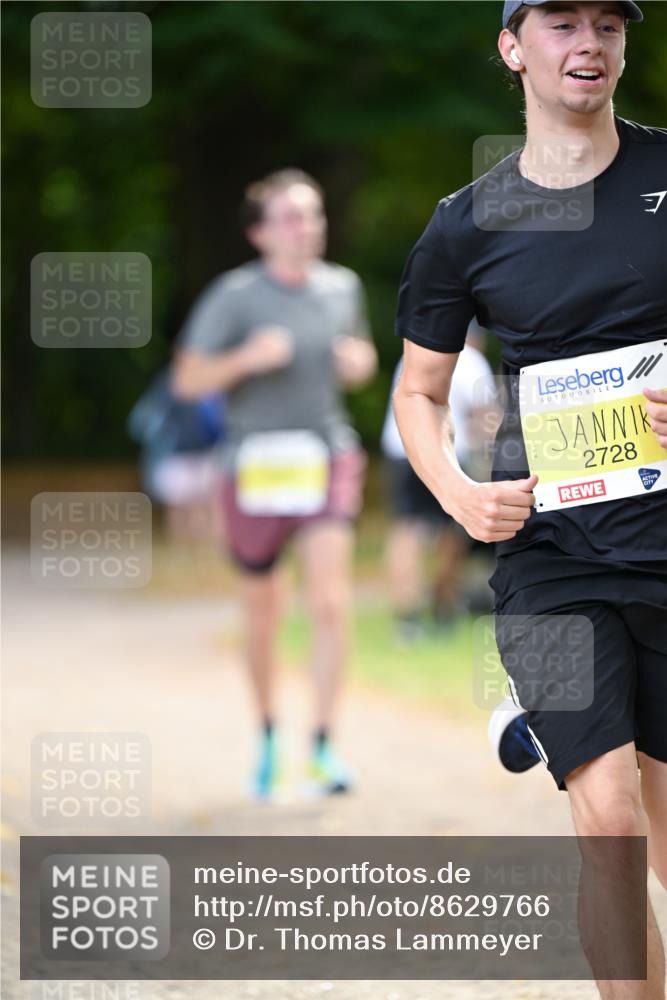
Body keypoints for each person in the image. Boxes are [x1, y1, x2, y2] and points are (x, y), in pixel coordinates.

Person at [393, 2, 666, 996]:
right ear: (512, 48)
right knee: (607, 816)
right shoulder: (465, 224)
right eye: (559, 22)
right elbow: (417, 392)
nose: (586, 42)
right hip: (551, 562)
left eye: (607, 22)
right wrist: (461, 497)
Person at [172, 169, 377, 799]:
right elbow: (186, 382)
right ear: (260, 232)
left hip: (325, 456)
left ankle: (322, 746)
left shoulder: (341, 287)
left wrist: (359, 365)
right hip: (255, 466)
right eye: (292, 217)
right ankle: (266, 738)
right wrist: (245, 360)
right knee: (263, 615)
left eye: (313, 215)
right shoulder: (233, 296)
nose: (307, 227)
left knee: (330, 603)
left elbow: (363, 362)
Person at [380, 322, 500, 640]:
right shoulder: (469, 358)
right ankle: (443, 607)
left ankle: (406, 618)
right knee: (453, 532)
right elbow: (485, 419)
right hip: (446, 453)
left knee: (406, 531)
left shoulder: (414, 353)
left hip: (402, 449)